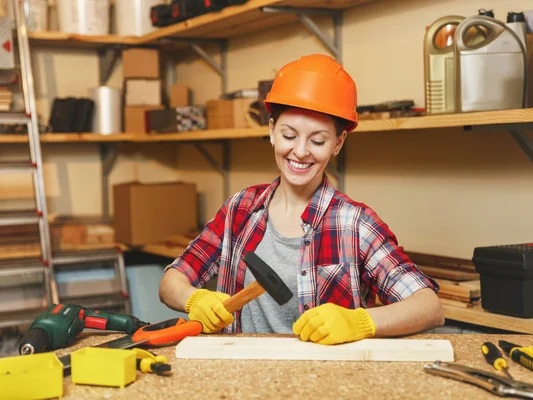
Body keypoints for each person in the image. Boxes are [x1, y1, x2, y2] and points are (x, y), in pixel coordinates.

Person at [159, 54, 444, 345]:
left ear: (338, 142)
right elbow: (171, 281)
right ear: (271, 131)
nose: (301, 151)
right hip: (241, 376)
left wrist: (360, 322)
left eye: (318, 140)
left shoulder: (355, 224)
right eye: (289, 135)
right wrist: (194, 299)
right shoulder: (239, 209)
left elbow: (430, 307)